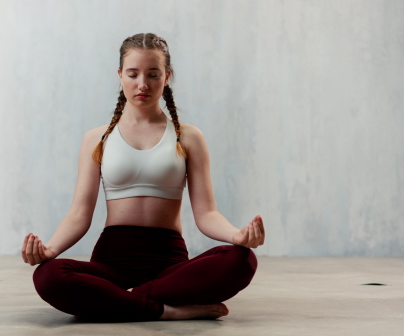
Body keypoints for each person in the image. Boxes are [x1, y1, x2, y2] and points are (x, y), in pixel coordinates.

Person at [21, 32, 265, 322]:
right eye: (133, 74)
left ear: (167, 76)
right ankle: (163, 309)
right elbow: (79, 214)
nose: (142, 84)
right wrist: (50, 249)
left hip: (168, 263)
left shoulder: (189, 137)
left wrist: (237, 235)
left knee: (241, 259)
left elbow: (207, 213)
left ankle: (122, 300)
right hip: (112, 262)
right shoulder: (97, 138)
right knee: (48, 276)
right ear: (120, 75)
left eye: (153, 74)